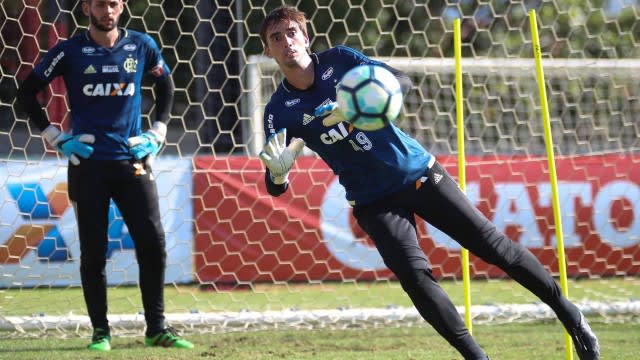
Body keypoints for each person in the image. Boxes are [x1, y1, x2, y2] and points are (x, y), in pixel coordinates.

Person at [258, 5, 600, 360]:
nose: (287, 42)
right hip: (372, 201)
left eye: (292, 32)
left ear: (306, 37)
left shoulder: (341, 61)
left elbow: (401, 81)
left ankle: (571, 316)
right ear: (268, 50)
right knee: (416, 279)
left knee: (493, 247)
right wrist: (278, 174)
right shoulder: (278, 111)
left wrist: (360, 102)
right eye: (276, 38)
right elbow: (274, 185)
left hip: (418, 173)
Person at [16, 0, 193, 351]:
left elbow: (166, 87)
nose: (107, 10)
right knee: (94, 252)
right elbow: (26, 93)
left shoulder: (142, 45)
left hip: (133, 160)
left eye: (113, 3)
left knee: (153, 244)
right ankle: (101, 331)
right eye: (100, 4)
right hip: (88, 164)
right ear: (86, 8)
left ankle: (156, 328)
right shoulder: (69, 50)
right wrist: (55, 137)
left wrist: (158, 131)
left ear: (122, 6)